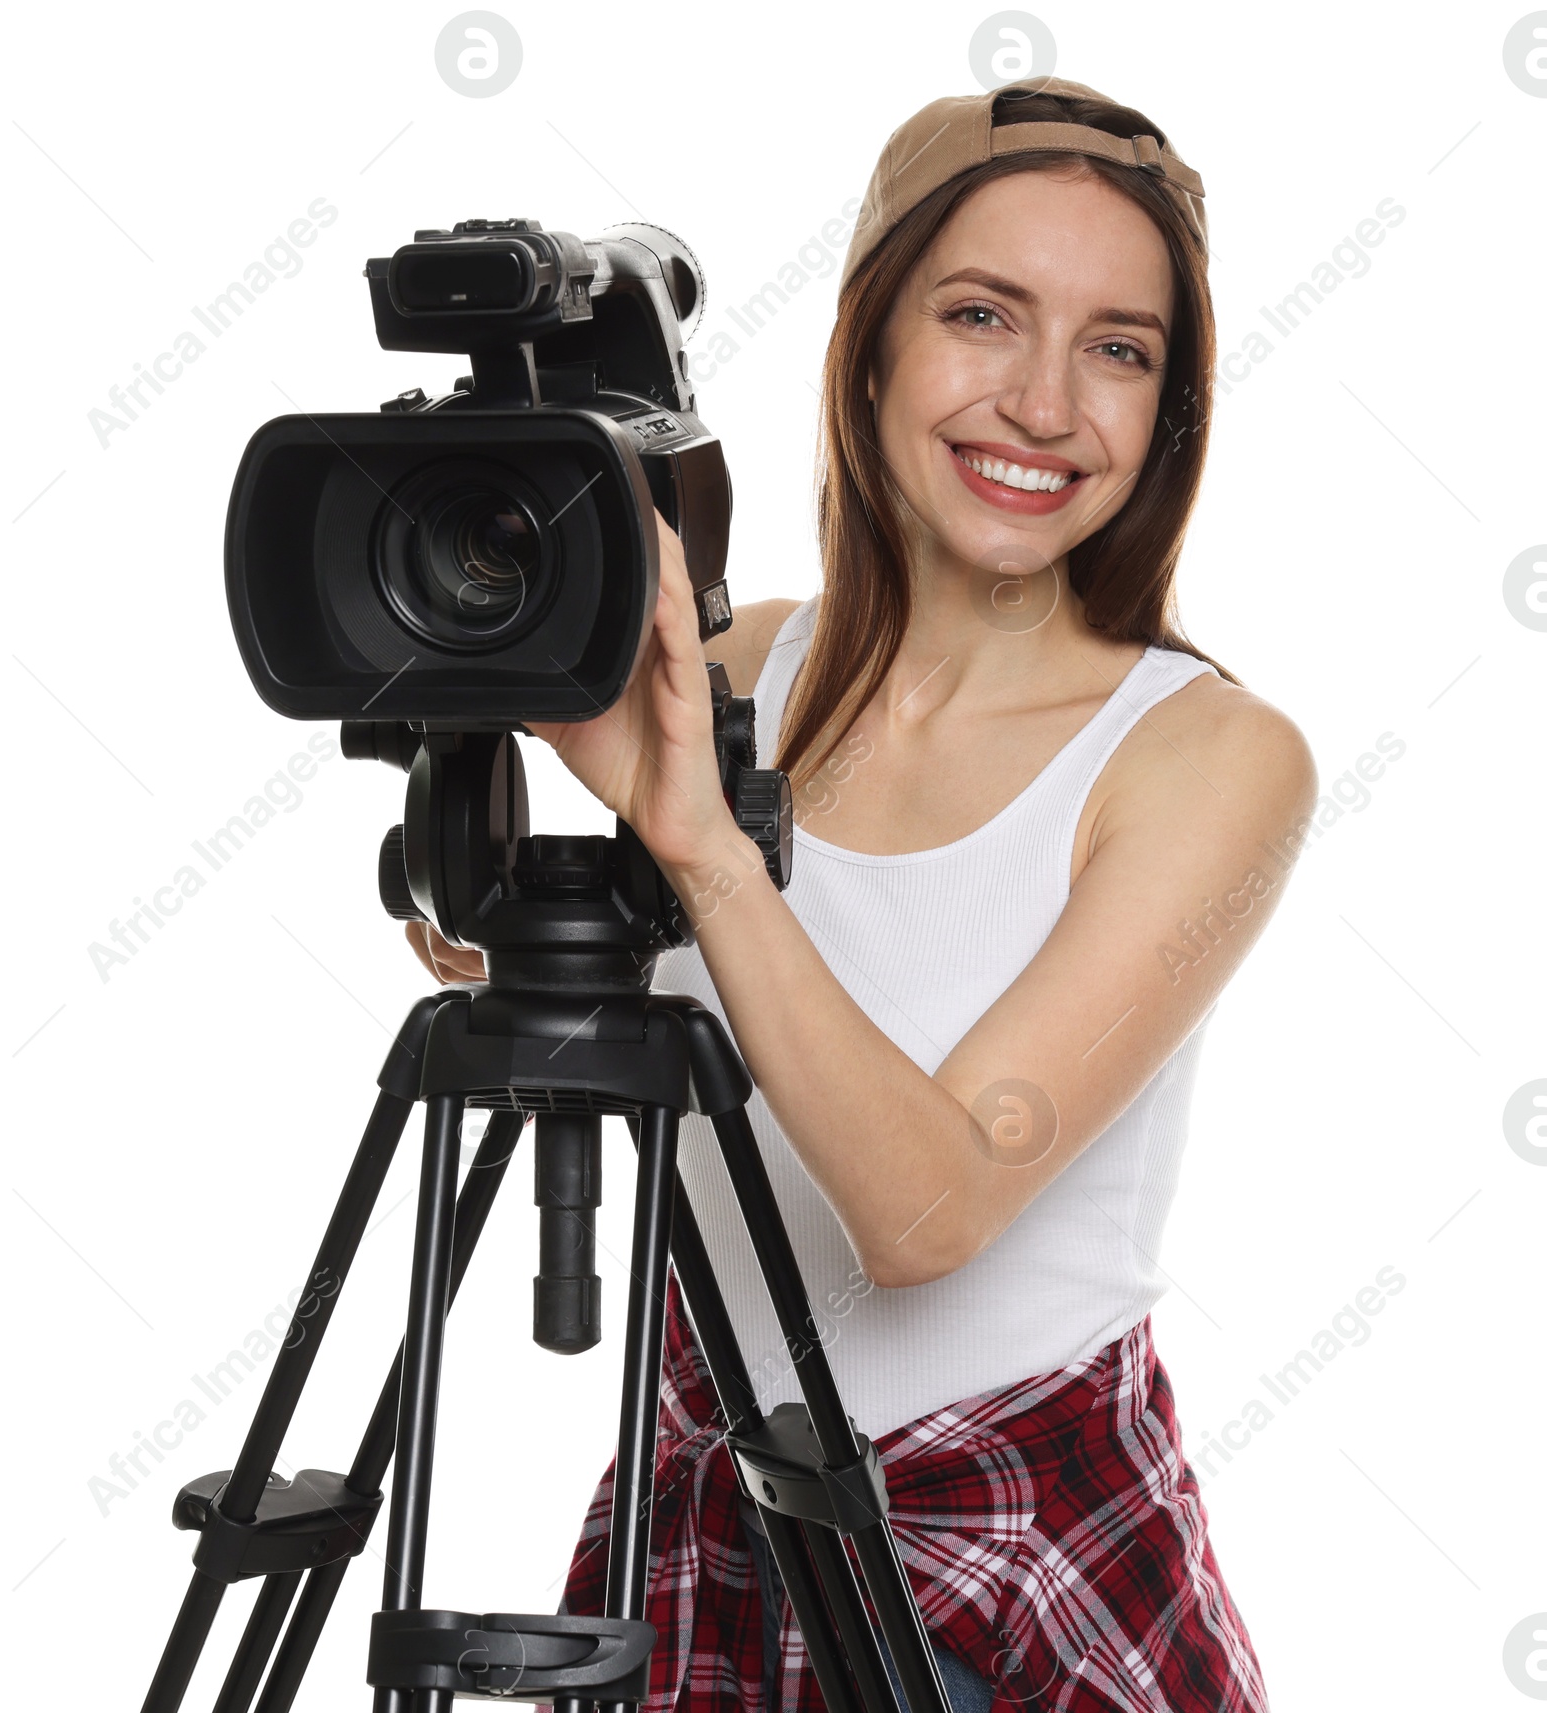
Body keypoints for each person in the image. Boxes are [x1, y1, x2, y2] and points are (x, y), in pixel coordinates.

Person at [408, 74, 1314, 1713]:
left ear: (1170, 407)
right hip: (708, 1514)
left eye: (1119, 348)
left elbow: (929, 1214)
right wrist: (478, 863)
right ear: (874, 341)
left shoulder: (1209, 757)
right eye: (983, 314)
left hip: (1001, 1569)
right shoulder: (737, 664)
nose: (1044, 403)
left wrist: (698, 852)